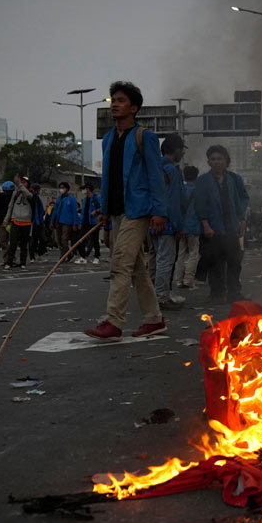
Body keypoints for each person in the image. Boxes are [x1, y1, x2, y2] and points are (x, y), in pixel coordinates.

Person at [84, 81, 168, 341]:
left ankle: (114, 322)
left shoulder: (145, 137)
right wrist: (105, 210)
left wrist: (159, 211)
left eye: (120, 100)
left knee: (120, 262)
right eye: (113, 100)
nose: (115, 105)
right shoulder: (109, 138)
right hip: (117, 211)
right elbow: (107, 176)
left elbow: (156, 175)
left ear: (134, 107)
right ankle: (154, 320)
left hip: (139, 210)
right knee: (136, 268)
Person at [196, 144, 250, 303]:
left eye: (220, 158)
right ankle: (216, 293)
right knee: (215, 263)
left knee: (234, 262)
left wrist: (241, 218)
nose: (216, 162)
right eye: (213, 159)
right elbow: (200, 204)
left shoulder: (235, 179)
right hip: (212, 228)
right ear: (208, 162)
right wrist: (205, 224)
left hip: (231, 227)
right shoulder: (203, 181)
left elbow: (244, 197)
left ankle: (234, 293)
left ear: (226, 160)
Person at [153, 134, 186, 309]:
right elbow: (174, 201)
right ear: (176, 150)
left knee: (159, 260)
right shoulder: (172, 170)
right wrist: (179, 226)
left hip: (154, 222)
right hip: (167, 224)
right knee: (165, 261)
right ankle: (161, 298)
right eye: (182, 150)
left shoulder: (154, 168)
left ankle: (160, 295)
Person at [173, 165, 202, 290]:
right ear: (196, 176)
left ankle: (178, 280)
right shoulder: (198, 191)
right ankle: (188, 280)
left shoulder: (181, 189)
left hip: (181, 226)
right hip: (194, 226)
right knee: (193, 254)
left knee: (180, 254)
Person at [2, 175, 35, 270]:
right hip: (15, 221)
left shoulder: (31, 193)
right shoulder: (15, 194)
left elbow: (29, 195)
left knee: (24, 244)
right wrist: (6, 219)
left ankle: (23, 262)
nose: (22, 184)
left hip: (26, 222)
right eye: (21, 182)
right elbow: (10, 207)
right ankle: (9, 262)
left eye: (24, 182)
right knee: (12, 243)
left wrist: (19, 184)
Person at [50, 181, 81, 262]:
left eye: (63, 187)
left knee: (64, 239)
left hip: (67, 222)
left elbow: (74, 212)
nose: (61, 189)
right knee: (58, 240)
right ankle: (69, 254)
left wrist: (75, 223)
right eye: (60, 187)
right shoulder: (59, 198)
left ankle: (63, 256)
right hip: (58, 221)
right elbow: (55, 210)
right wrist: (51, 221)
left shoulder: (71, 199)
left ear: (67, 189)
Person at [76, 183, 102, 264]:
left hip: (94, 222)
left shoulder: (96, 198)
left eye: (84, 189)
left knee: (95, 239)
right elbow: (83, 212)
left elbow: (102, 207)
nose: (83, 191)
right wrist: (80, 222)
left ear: (88, 189)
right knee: (80, 239)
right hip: (85, 222)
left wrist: (96, 211)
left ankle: (96, 256)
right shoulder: (85, 199)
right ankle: (83, 257)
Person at [0, 181, 14, 256]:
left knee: (13, 241)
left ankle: (11, 258)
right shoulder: (0, 196)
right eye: (5, 190)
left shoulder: (15, 197)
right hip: (1, 222)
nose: (6, 192)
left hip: (12, 222)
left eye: (8, 191)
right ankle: (6, 259)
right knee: (3, 241)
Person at [28, 183, 48, 262]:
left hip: (40, 221)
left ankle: (39, 253)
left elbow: (41, 210)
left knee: (43, 239)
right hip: (33, 221)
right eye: (39, 189)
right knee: (33, 240)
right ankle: (32, 256)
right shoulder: (32, 198)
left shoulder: (38, 198)